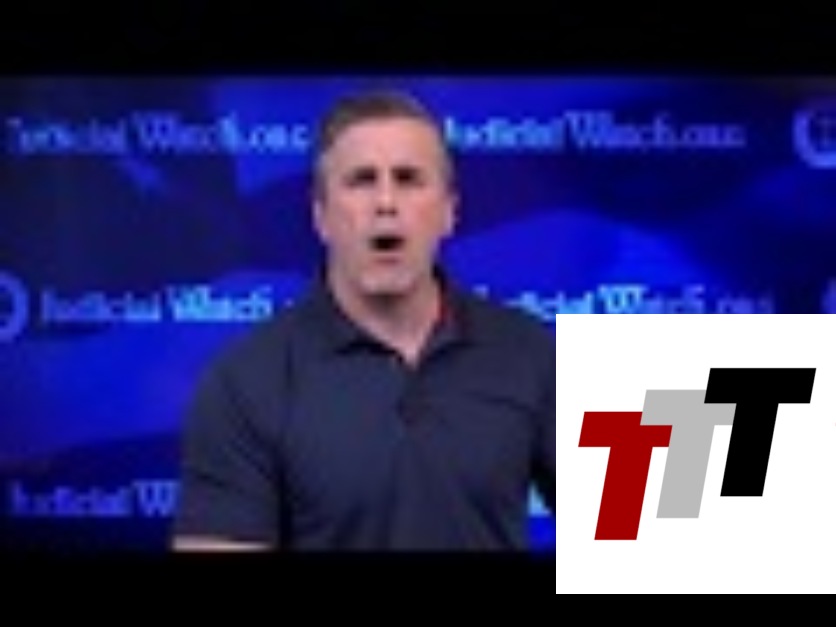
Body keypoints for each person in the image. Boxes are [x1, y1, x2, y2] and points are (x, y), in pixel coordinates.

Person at [171, 88, 555, 551]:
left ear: (449, 212)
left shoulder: (536, 354)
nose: (385, 201)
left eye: (409, 179)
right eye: (361, 181)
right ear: (321, 216)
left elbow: (633, 549)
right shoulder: (243, 382)